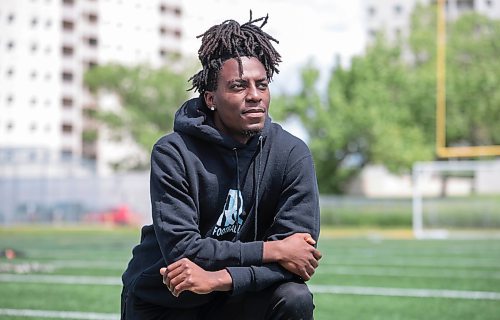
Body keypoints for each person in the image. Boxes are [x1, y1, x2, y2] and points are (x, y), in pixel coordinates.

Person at [121, 12, 322, 320]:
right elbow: (184, 251)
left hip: (238, 296)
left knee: (294, 298)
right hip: (168, 299)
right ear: (211, 97)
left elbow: (299, 259)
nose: (254, 96)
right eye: (239, 86)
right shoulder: (173, 152)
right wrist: (273, 250)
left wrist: (218, 279)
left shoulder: (291, 154)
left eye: (262, 85)